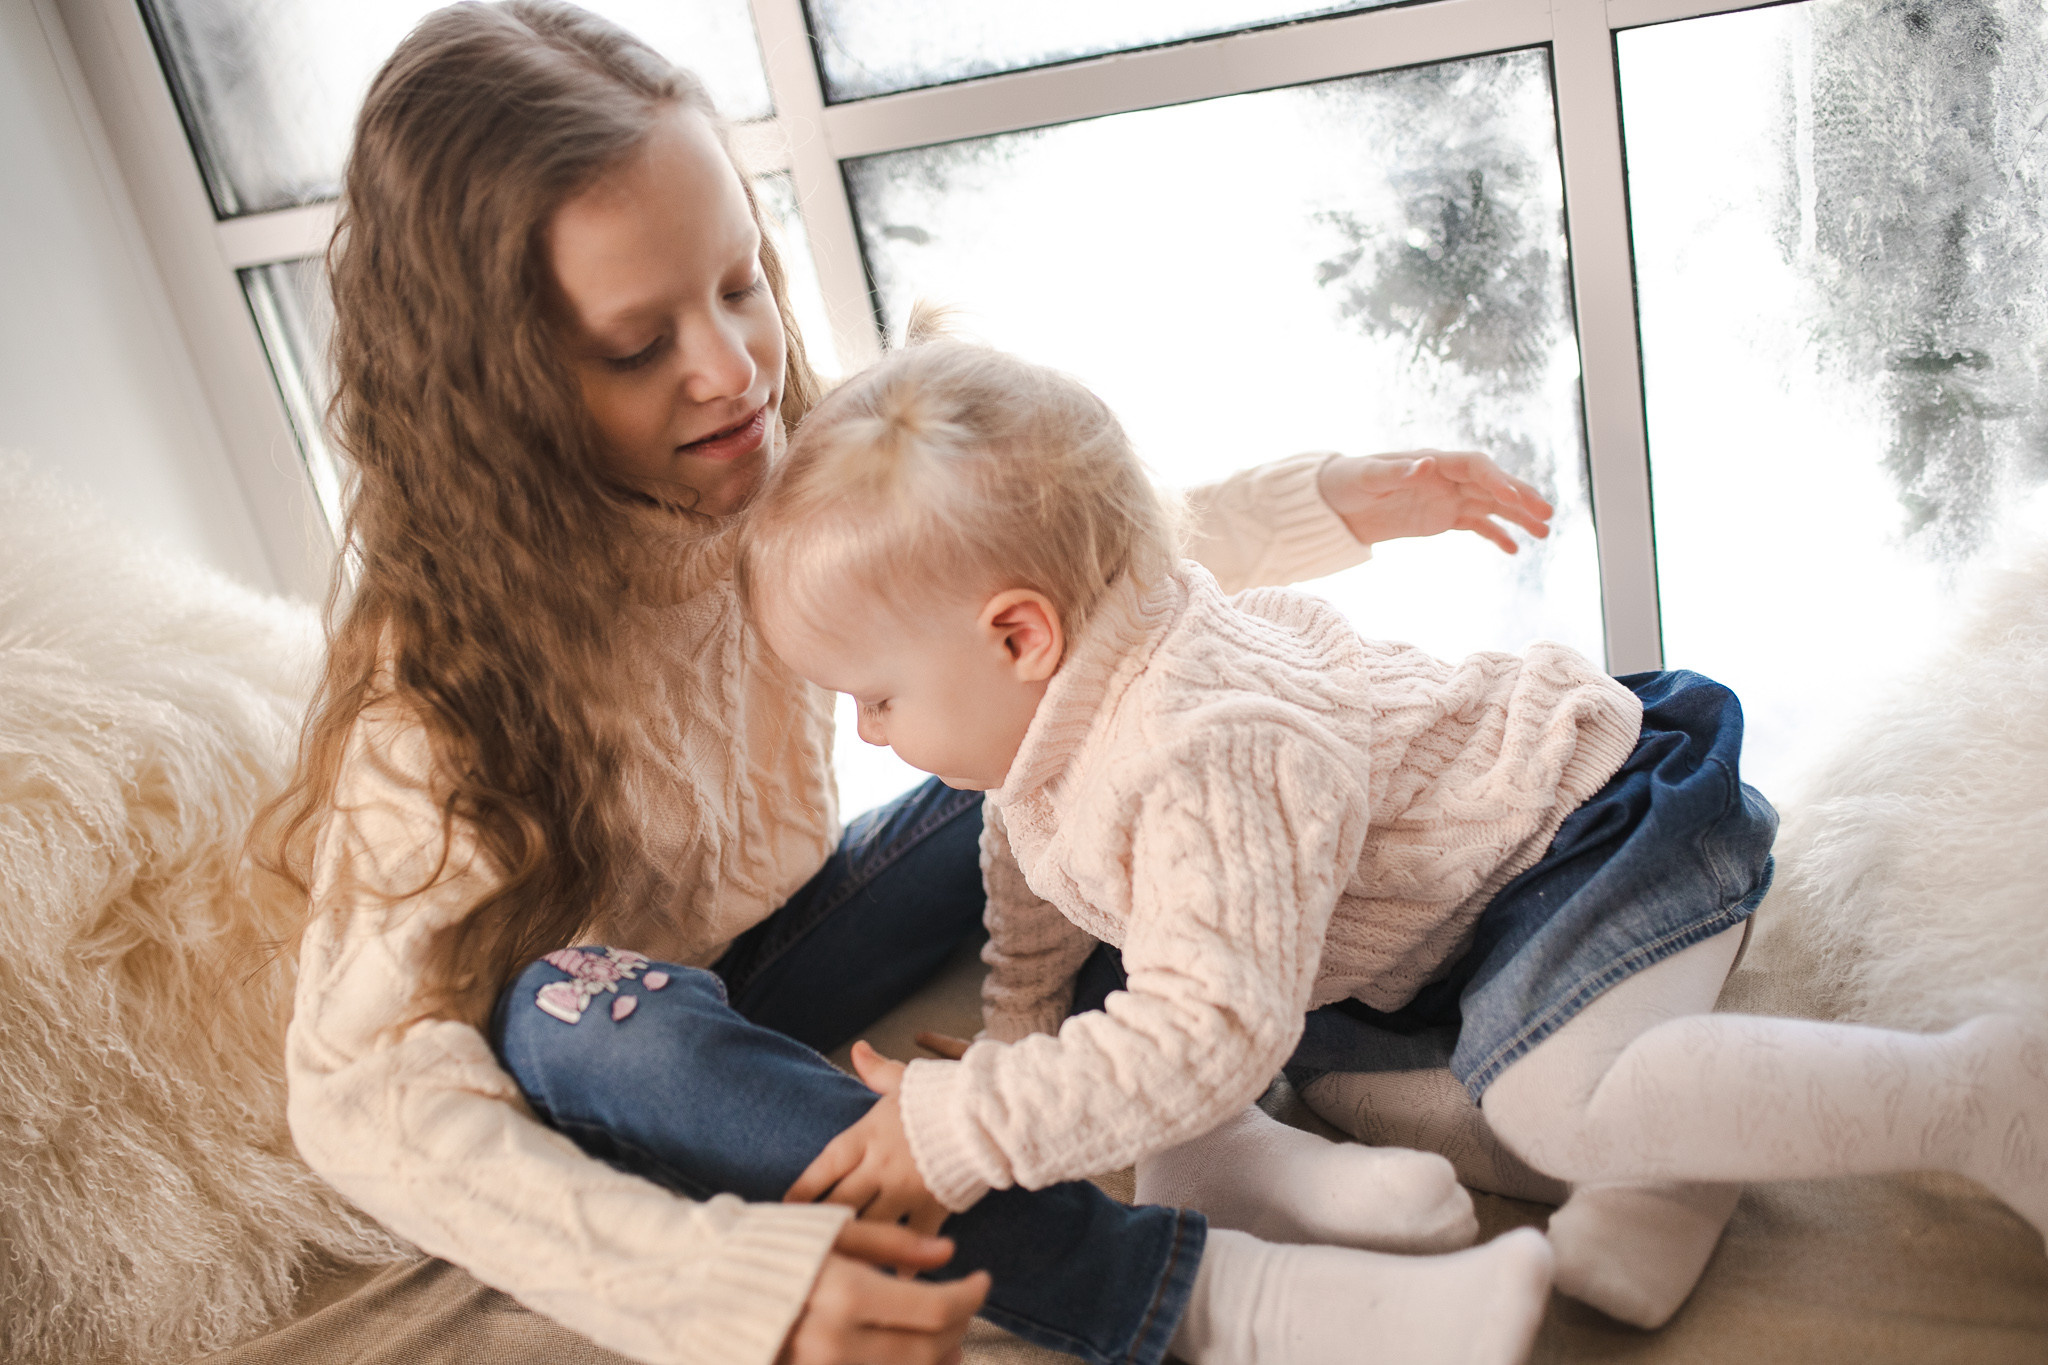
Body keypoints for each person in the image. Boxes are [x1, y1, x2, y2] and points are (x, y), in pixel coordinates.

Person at [265, 5, 1566, 1365]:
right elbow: (355, 1086)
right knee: (566, 1013)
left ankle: (1215, 1130)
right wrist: (715, 1279)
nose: (730, 369)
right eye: (637, 346)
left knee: (1075, 735)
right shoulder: (442, 686)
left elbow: (1042, 571)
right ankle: (1217, 1299)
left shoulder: (764, 450)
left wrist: (1328, 500)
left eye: (739, 283)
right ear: (498, 390)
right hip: (629, 1048)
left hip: (797, 936)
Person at [738, 326, 2048, 1335]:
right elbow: (1032, 902)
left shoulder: (1203, 742)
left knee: (1545, 1096)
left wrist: (971, 1122)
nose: (866, 734)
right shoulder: (1044, 729)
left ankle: (1975, 1091)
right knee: (1338, 1083)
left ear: (1018, 634)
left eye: (877, 696)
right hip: (1431, 930)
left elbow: (1206, 1034)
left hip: (1589, 834)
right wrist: (1017, 1041)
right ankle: (1679, 1156)